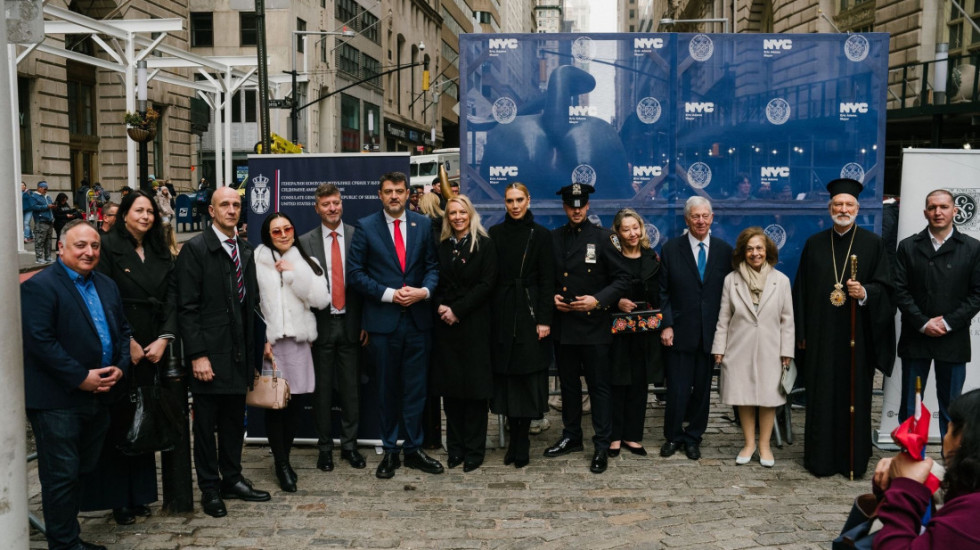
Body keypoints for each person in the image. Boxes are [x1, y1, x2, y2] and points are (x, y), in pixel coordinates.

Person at [22, 220, 131, 550]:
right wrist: (80, 377)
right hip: (58, 400)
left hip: (101, 396)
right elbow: (40, 342)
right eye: (80, 245)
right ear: (61, 248)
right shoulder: (40, 287)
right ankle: (64, 544)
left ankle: (68, 537)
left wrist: (121, 368)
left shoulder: (107, 285)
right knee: (60, 476)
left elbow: (123, 332)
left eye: (95, 246)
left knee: (80, 471)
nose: (89, 252)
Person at [78, 190, 176, 525]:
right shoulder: (108, 247)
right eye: (139, 210)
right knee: (119, 421)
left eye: (150, 211)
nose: (146, 217)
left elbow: (172, 296)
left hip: (154, 344)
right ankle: (118, 498)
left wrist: (164, 338)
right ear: (125, 215)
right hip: (122, 345)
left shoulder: (159, 250)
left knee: (145, 414)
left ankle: (141, 494)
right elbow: (104, 297)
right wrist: (128, 341)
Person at [176, 186, 271, 517]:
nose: (231, 210)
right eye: (224, 205)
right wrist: (197, 354)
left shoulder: (243, 249)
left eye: (236, 205)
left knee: (233, 421)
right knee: (205, 425)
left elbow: (251, 304)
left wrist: (259, 345)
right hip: (209, 355)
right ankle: (209, 488)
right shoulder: (197, 249)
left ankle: (232, 479)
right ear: (212, 211)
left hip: (239, 353)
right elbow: (186, 308)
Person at [793, 178, 895, 478]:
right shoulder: (814, 244)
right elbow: (801, 293)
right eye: (838, 204)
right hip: (822, 338)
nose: (843, 209)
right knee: (822, 396)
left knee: (854, 397)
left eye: (848, 204)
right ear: (829, 209)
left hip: (857, 339)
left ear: (858, 208)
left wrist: (865, 294)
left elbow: (886, 289)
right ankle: (820, 460)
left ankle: (853, 458)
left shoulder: (872, 244)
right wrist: (801, 335)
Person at [348, 171, 444, 479]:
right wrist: (389, 295)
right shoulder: (366, 227)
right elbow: (356, 273)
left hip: (417, 322)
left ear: (408, 194)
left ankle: (413, 449)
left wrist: (424, 291)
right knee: (387, 390)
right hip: (383, 323)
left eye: (399, 191)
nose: (394, 196)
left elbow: (432, 266)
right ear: (380, 194)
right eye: (388, 191)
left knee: (416, 390)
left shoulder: (424, 224)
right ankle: (390, 451)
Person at [545, 183, 629, 474]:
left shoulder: (605, 238)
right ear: (565, 207)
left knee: (599, 388)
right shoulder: (554, 238)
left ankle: (602, 444)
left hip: (594, 326)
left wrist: (597, 300)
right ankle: (571, 436)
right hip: (565, 325)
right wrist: (552, 297)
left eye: (581, 204)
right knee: (568, 386)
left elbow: (622, 280)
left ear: (588, 206)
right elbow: (547, 278)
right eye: (571, 205)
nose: (576, 209)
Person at [894, 189, 980, 443]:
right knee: (911, 407)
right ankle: (909, 459)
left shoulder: (972, 248)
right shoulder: (908, 246)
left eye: (943, 207)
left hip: (952, 339)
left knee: (952, 407)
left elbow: (977, 293)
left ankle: (953, 463)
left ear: (955, 211)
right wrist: (922, 322)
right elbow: (900, 290)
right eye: (932, 207)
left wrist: (948, 322)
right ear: (925, 212)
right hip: (916, 337)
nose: (937, 212)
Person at [255, 212, 330, 491]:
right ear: (268, 235)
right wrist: (260, 339)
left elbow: (322, 299)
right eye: (277, 231)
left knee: (296, 404)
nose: (284, 234)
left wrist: (292, 274)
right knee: (276, 405)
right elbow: (252, 303)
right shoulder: (257, 260)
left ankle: (284, 457)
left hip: (299, 343)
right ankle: (282, 465)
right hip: (272, 345)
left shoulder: (306, 260)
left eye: (288, 228)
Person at [298, 183, 368, 472]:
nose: (332, 208)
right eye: (326, 204)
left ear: (342, 204)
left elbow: (366, 282)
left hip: (352, 324)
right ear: (317, 208)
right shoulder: (304, 242)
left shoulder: (357, 236)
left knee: (351, 390)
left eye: (336, 203)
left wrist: (365, 322)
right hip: (320, 328)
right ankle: (325, 448)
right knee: (322, 392)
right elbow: (298, 290)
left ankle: (349, 446)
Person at [711, 227, 794, 468]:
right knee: (743, 397)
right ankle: (748, 444)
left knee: (768, 398)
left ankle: (765, 446)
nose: (755, 253)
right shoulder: (732, 280)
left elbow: (787, 320)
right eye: (750, 249)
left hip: (771, 348)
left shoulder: (782, 281)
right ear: (742, 253)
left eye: (759, 248)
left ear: (768, 251)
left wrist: (786, 352)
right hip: (739, 347)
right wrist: (719, 348)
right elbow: (724, 317)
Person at [659, 196, 733, 461]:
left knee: (702, 391)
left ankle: (694, 437)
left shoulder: (725, 251)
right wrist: (666, 324)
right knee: (677, 390)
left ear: (712, 218)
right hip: (679, 331)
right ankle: (673, 436)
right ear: (687, 219)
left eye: (705, 216)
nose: (700, 221)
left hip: (710, 333)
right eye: (695, 216)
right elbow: (663, 292)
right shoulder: (671, 249)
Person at [488, 183, 555, 469]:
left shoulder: (541, 235)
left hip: (529, 313)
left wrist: (543, 320)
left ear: (528, 200)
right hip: (504, 312)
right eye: (509, 201)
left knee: (527, 379)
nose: (514, 205)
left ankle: (522, 441)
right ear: (504, 203)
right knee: (508, 378)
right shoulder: (495, 234)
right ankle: (514, 439)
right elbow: (490, 278)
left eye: (519, 200)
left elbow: (547, 280)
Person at [433, 195, 497, 472]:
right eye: (452, 213)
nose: (457, 217)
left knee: (474, 392)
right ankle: (455, 448)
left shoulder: (484, 244)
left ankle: (474, 450)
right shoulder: (441, 245)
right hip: (445, 326)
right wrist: (439, 307)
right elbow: (432, 279)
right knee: (452, 392)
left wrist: (457, 309)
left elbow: (486, 284)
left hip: (474, 325)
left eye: (462, 212)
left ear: (471, 214)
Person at [871, 388, 980, 549]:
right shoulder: (969, 493)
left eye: (949, 430)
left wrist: (905, 488)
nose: (945, 438)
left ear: (963, 438)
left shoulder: (968, 518)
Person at [608, 208, 662, 458]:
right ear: (617, 232)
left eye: (635, 227)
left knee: (639, 384)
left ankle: (632, 436)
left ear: (642, 229)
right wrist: (616, 301)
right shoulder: (610, 257)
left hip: (645, 332)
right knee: (617, 382)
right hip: (617, 331)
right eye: (626, 229)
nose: (632, 233)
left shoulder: (653, 258)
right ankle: (614, 437)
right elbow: (601, 289)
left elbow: (661, 293)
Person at [416, 189, 444, 449]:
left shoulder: (424, 232)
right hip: (438, 313)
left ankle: (430, 436)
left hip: (428, 313)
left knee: (425, 378)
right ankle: (433, 436)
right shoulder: (438, 232)